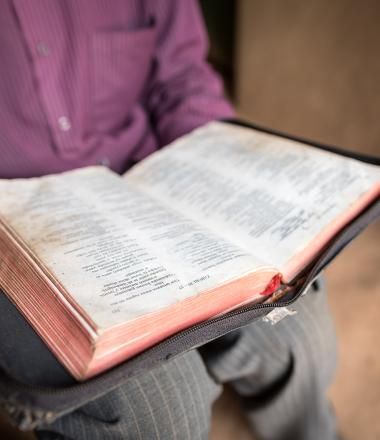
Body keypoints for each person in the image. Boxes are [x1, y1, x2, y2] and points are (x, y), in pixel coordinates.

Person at [0, 1, 338, 439]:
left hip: (144, 184)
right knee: (161, 411)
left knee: (297, 326)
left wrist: (232, 174)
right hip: (19, 229)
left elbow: (182, 82)